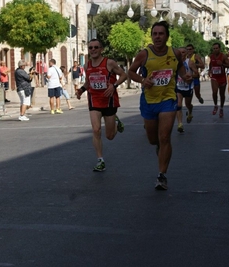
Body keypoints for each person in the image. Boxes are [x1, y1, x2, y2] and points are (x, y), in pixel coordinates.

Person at [128, 21, 192, 190]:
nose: (157, 37)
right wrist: (143, 80)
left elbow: (179, 68)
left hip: (168, 99)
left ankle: (162, 175)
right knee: (153, 139)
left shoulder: (175, 53)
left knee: (165, 138)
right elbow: (131, 71)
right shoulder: (144, 54)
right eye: (154, 34)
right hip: (149, 101)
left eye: (161, 34)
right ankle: (159, 147)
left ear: (167, 36)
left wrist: (185, 76)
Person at [75, 39, 127, 172]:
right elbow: (88, 82)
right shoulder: (87, 66)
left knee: (110, 136)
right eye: (90, 47)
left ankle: (115, 120)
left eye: (96, 47)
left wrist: (114, 85)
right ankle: (100, 160)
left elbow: (123, 75)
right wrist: (81, 90)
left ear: (101, 49)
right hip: (94, 100)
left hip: (109, 100)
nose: (93, 50)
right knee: (96, 130)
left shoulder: (109, 63)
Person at [175, 47, 197, 133]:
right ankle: (180, 124)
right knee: (179, 105)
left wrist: (191, 76)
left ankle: (190, 112)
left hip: (188, 86)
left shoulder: (190, 62)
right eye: (180, 52)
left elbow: (197, 73)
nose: (181, 54)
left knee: (188, 104)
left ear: (186, 53)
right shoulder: (175, 63)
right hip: (178, 87)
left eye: (183, 52)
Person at [208, 42, 229, 118]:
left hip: (222, 77)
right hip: (214, 77)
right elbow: (211, 64)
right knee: (214, 92)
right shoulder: (211, 56)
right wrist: (209, 70)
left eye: (216, 48)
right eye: (214, 48)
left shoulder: (223, 56)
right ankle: (215, 105)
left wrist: (222, 64)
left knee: (222, 94)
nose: (215, 50)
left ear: (219, 49)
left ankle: (221, 108)